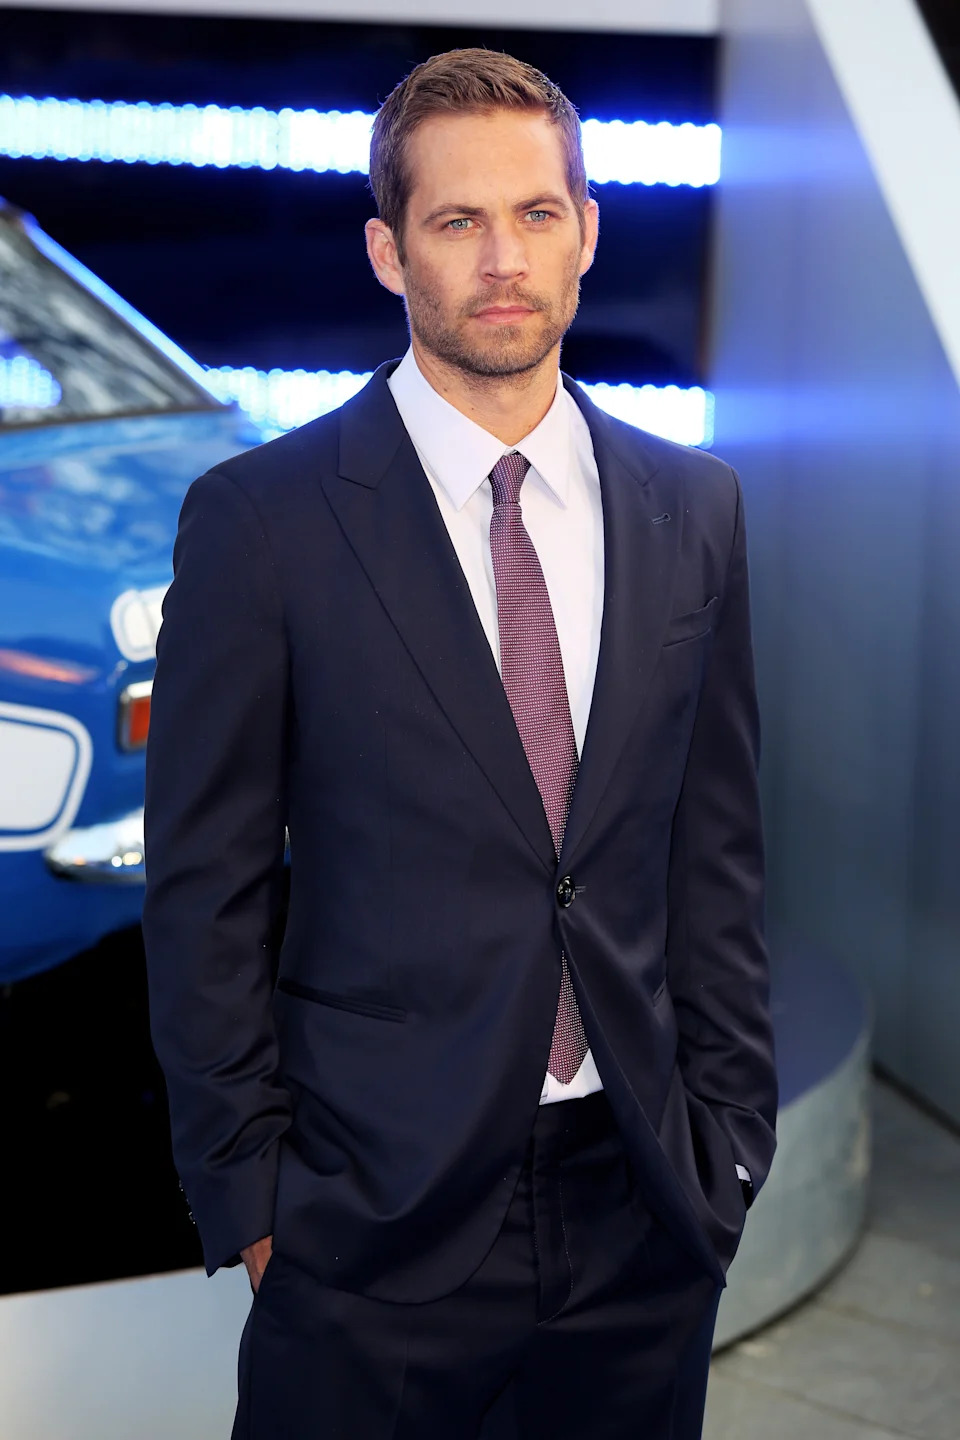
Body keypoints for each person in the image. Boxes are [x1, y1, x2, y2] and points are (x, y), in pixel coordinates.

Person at [143, 47, 778, 1440]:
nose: (504, 259)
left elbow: (716, 855)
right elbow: (205, 892)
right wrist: (255, 1201)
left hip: (642, 1206)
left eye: (536, 213)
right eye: (456, 220)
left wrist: (729, 1147)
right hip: (368, 1221)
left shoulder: (696, 507)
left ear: (587, 231)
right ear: (388, 250)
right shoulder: (265, 520)